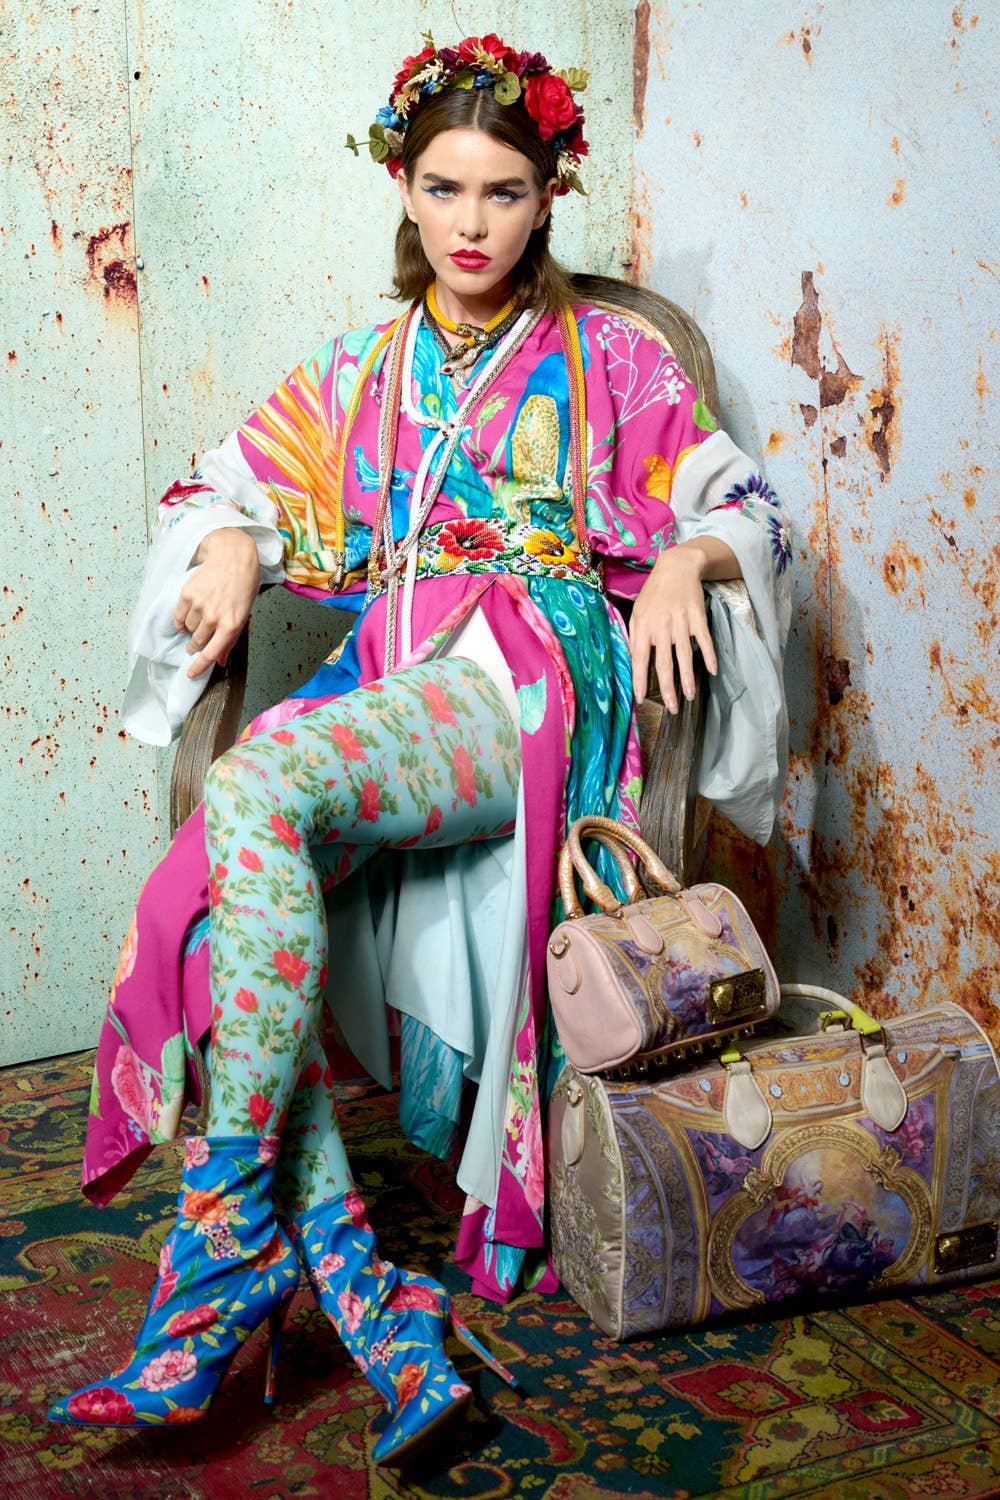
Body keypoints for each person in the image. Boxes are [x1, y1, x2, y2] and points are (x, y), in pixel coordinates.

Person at [48, 33, 791, 1462]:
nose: (470, 223)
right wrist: (219, 541)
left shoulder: (613, 353)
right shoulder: (368, 367)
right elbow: (235, 476)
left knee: (253, 781)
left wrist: (694, 560)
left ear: (548, 194)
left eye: (504, 192)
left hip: (520, 679)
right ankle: (358, 1289)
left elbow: (732, 490)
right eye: (443, 187)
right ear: (401, 183)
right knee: (209, 897)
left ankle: (226, 1255)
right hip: (396, 673)